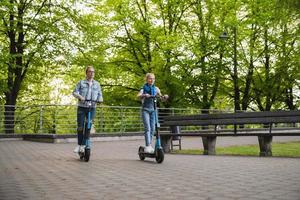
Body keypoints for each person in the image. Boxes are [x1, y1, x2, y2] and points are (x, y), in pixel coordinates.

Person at [72, 66, 103, 153]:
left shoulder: (97, 84)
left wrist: (100, 99)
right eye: (90, 72)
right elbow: (74, 92)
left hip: (92, 107)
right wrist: (80, 96)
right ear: (86, 73)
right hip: (82, 107)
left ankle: (84, 145)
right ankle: (79, 145)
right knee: (80, 127)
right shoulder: (81, 83)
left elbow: (100, 94)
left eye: (93, 72)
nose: (92, 73)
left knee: (88, 126)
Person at [137, 73, 168, 153]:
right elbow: (138, 96)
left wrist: (164, 97)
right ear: (146, 79)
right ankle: (148, 146)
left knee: (153, 129)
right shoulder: (143, 88)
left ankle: (150, 145)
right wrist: (144, 95)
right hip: (145, 110)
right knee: (148, 128)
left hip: (153, 110)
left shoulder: (156, 89)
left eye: (153, 79)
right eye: (150, 78)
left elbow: (161, 98)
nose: (152, 80)